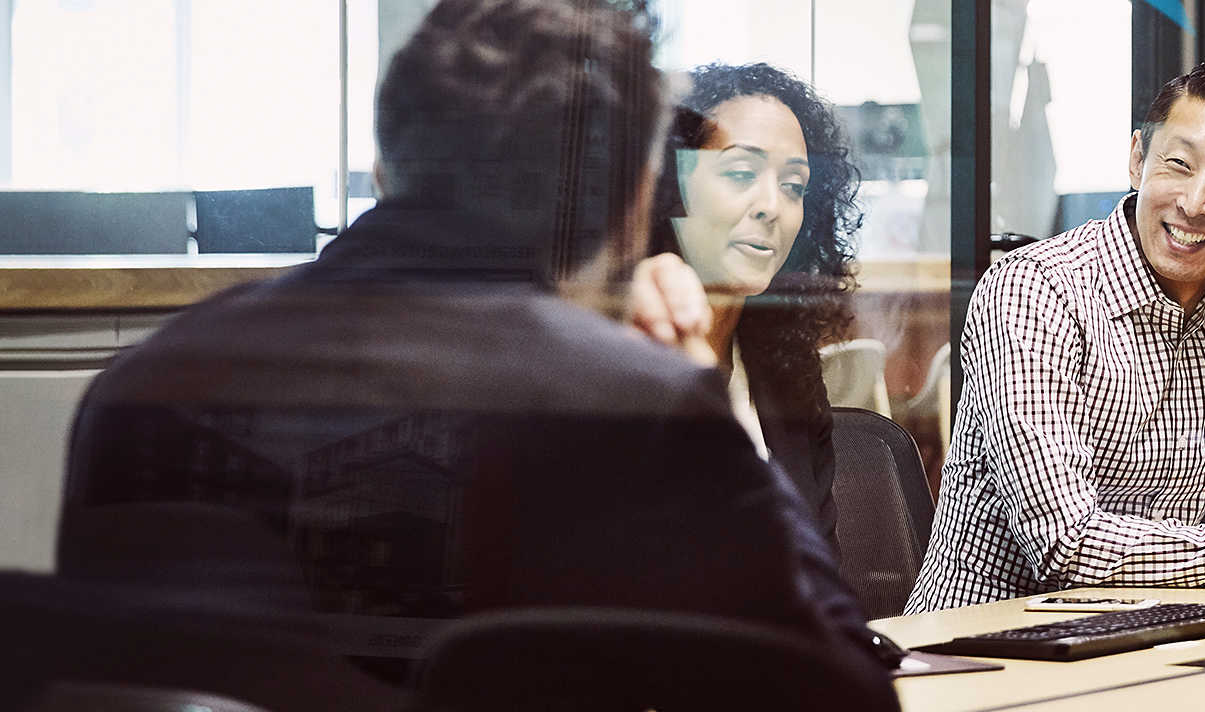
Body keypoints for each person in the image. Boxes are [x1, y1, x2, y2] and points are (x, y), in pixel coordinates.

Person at [56, 0, 889, 693]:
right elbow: (842, 687)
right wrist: (708, 390)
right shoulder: (629, 403)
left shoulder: (140, 386)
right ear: (636, 195)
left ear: (385, 163)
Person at [903, 60, 1205, 612]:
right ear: (1138, 160)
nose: (1194, 202)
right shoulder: (1035, 290)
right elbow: (1064, 543)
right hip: (990, 643)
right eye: (1178, 164)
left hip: (1171, 630)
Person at [631, 62, 863, 538]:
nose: (772, 206)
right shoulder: (617, 361)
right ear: (670, 188)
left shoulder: (788, 378)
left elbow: (819, 578)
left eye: (794, 186)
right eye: (740, 174)